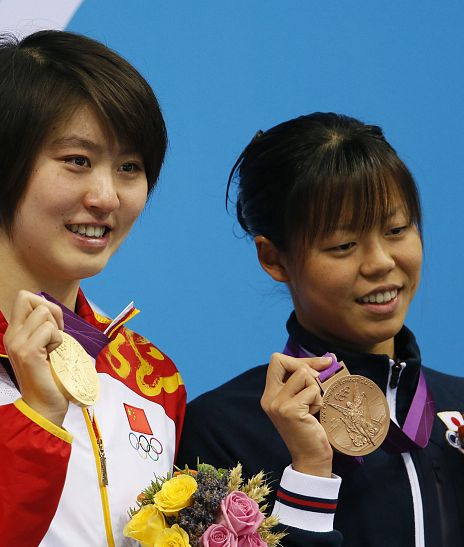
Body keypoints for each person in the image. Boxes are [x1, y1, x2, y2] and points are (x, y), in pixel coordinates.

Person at [0, 30, 187, 546]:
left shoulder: (153, 379)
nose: (107, 197)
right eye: (77, 161)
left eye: (129, 168)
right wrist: (36, 418)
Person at [177, 112, 464, 546]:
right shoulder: (221, 431)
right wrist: (309, 470)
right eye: (343, 245)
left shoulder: (455, 406)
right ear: (274, 258)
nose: (381, 262)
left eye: (397, 229)